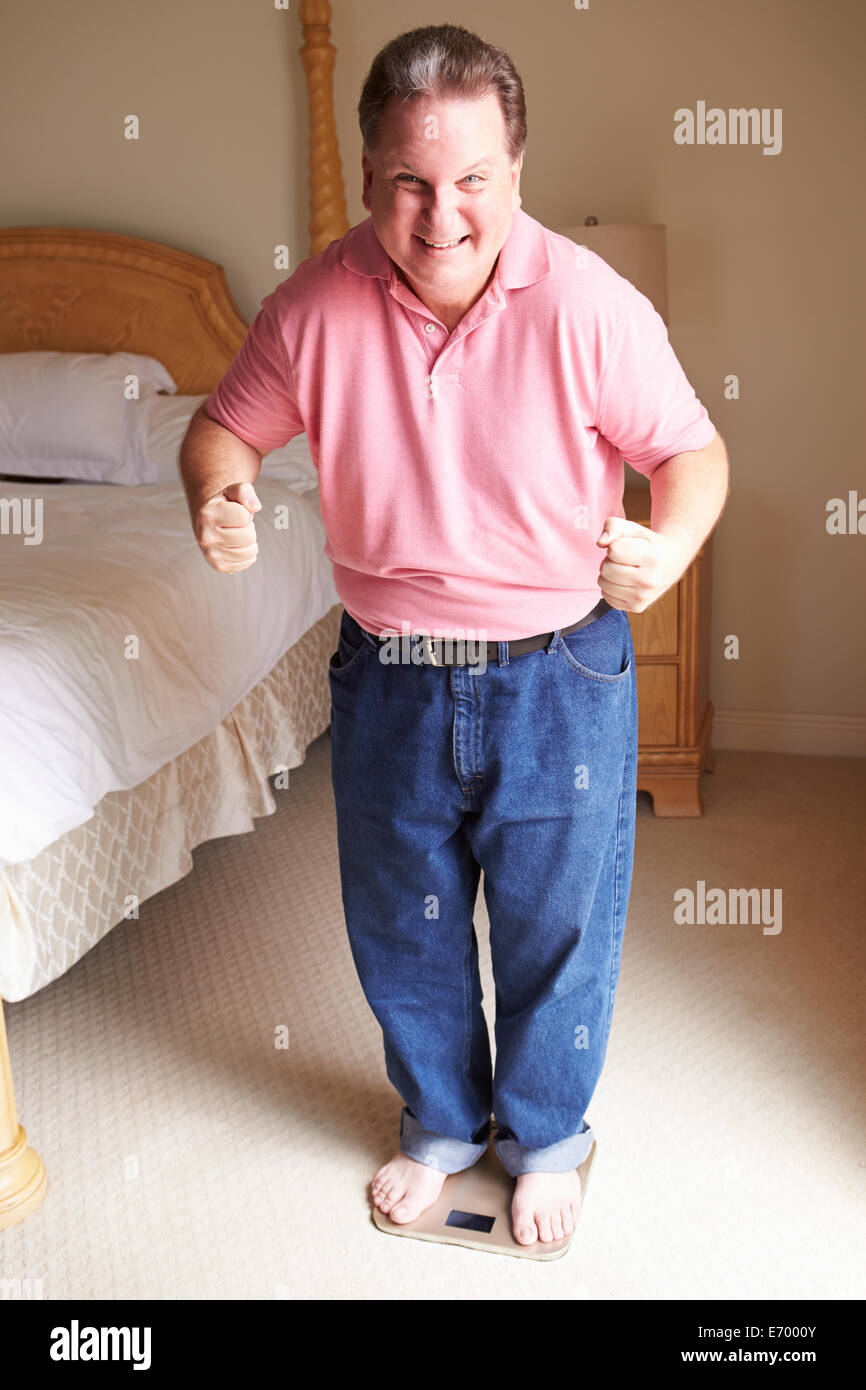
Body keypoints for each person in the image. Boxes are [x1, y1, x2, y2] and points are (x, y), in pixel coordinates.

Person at [179, 24, 729, 1247]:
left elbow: (690, 454)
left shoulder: (592, 306)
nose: (441, 214)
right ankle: (436, 1122)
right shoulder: (314, 302)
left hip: (558, 670)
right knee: (401, 915)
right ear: (371, 176)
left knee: (555, 922)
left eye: (472, 178)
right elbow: (222, 428)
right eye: (410, 183)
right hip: (390, 674)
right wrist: (214, 491)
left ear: (517, 171)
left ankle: (544, 1138)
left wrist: (668, 543)